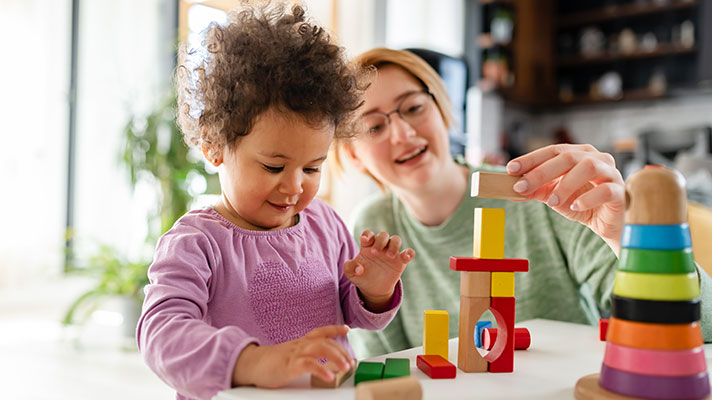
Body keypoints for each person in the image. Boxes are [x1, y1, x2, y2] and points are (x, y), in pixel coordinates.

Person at [334, 48, 712, 358]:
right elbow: (383, 372)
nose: (403, 133)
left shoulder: (542, 194)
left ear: (443, 109)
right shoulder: (371, 227)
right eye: (374, 126)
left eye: (414, 107)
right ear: (351, 154)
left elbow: (703, 329)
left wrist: (623, 237)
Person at [136, 8, 415, 400]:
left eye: (313, 168)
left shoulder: (325, 224)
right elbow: (160, 333)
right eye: (273, 166)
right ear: (215, 147)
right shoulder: (196, 242)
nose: (294, 186)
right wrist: (253, 363)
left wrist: (374, 291)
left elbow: (353, 313)